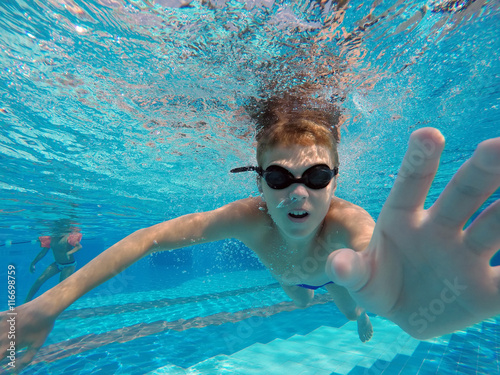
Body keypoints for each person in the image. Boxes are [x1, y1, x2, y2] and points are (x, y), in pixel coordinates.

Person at [1, 92, 499, 372]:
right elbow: (148, 237)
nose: (298, 195)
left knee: (349, 299)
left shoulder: (349, 221)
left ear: (335, 181)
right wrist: (48, 305)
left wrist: (403, 287)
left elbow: (378, 251)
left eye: (317, 177)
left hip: (337, 275)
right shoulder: (247, 218)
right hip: (290, 280)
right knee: (304, 298)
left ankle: (360, 320)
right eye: (280, 179)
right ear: (259, 181)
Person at [25, 232, 83, 303]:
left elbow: (79, 246)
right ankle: (26, 301)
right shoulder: (50, 238)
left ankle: (58, 304)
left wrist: (69, 253)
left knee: (62, 286)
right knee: (40, 280)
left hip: (69, 265)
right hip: (57, 264)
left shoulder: (68, 237)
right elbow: (43, 252)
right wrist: (33, 263)